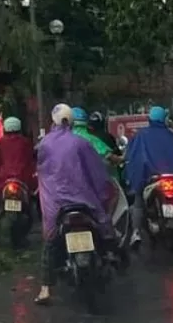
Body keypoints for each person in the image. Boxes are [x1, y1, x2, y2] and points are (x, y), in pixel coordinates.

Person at [34, 104, 116, 306]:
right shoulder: (81, 143)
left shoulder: (44, 144)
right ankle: (111, 254)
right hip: (83, 199)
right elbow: (97, 173)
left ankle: (45, 289)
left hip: (56, 202)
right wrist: (103, 192)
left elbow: (42, 171)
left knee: (50, 240)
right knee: (104, 227)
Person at [124, 106, 173, 245]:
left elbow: (134, 158)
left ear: (149, 119)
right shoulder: (172, 135)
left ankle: (135, 232)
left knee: (138, 198)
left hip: (152, 177)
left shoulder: (142, 135)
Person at [0, 116, 36, 207]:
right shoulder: (25, 142)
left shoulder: (2, 142)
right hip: (22, 177)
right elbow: (31, 157)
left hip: (4, 179)